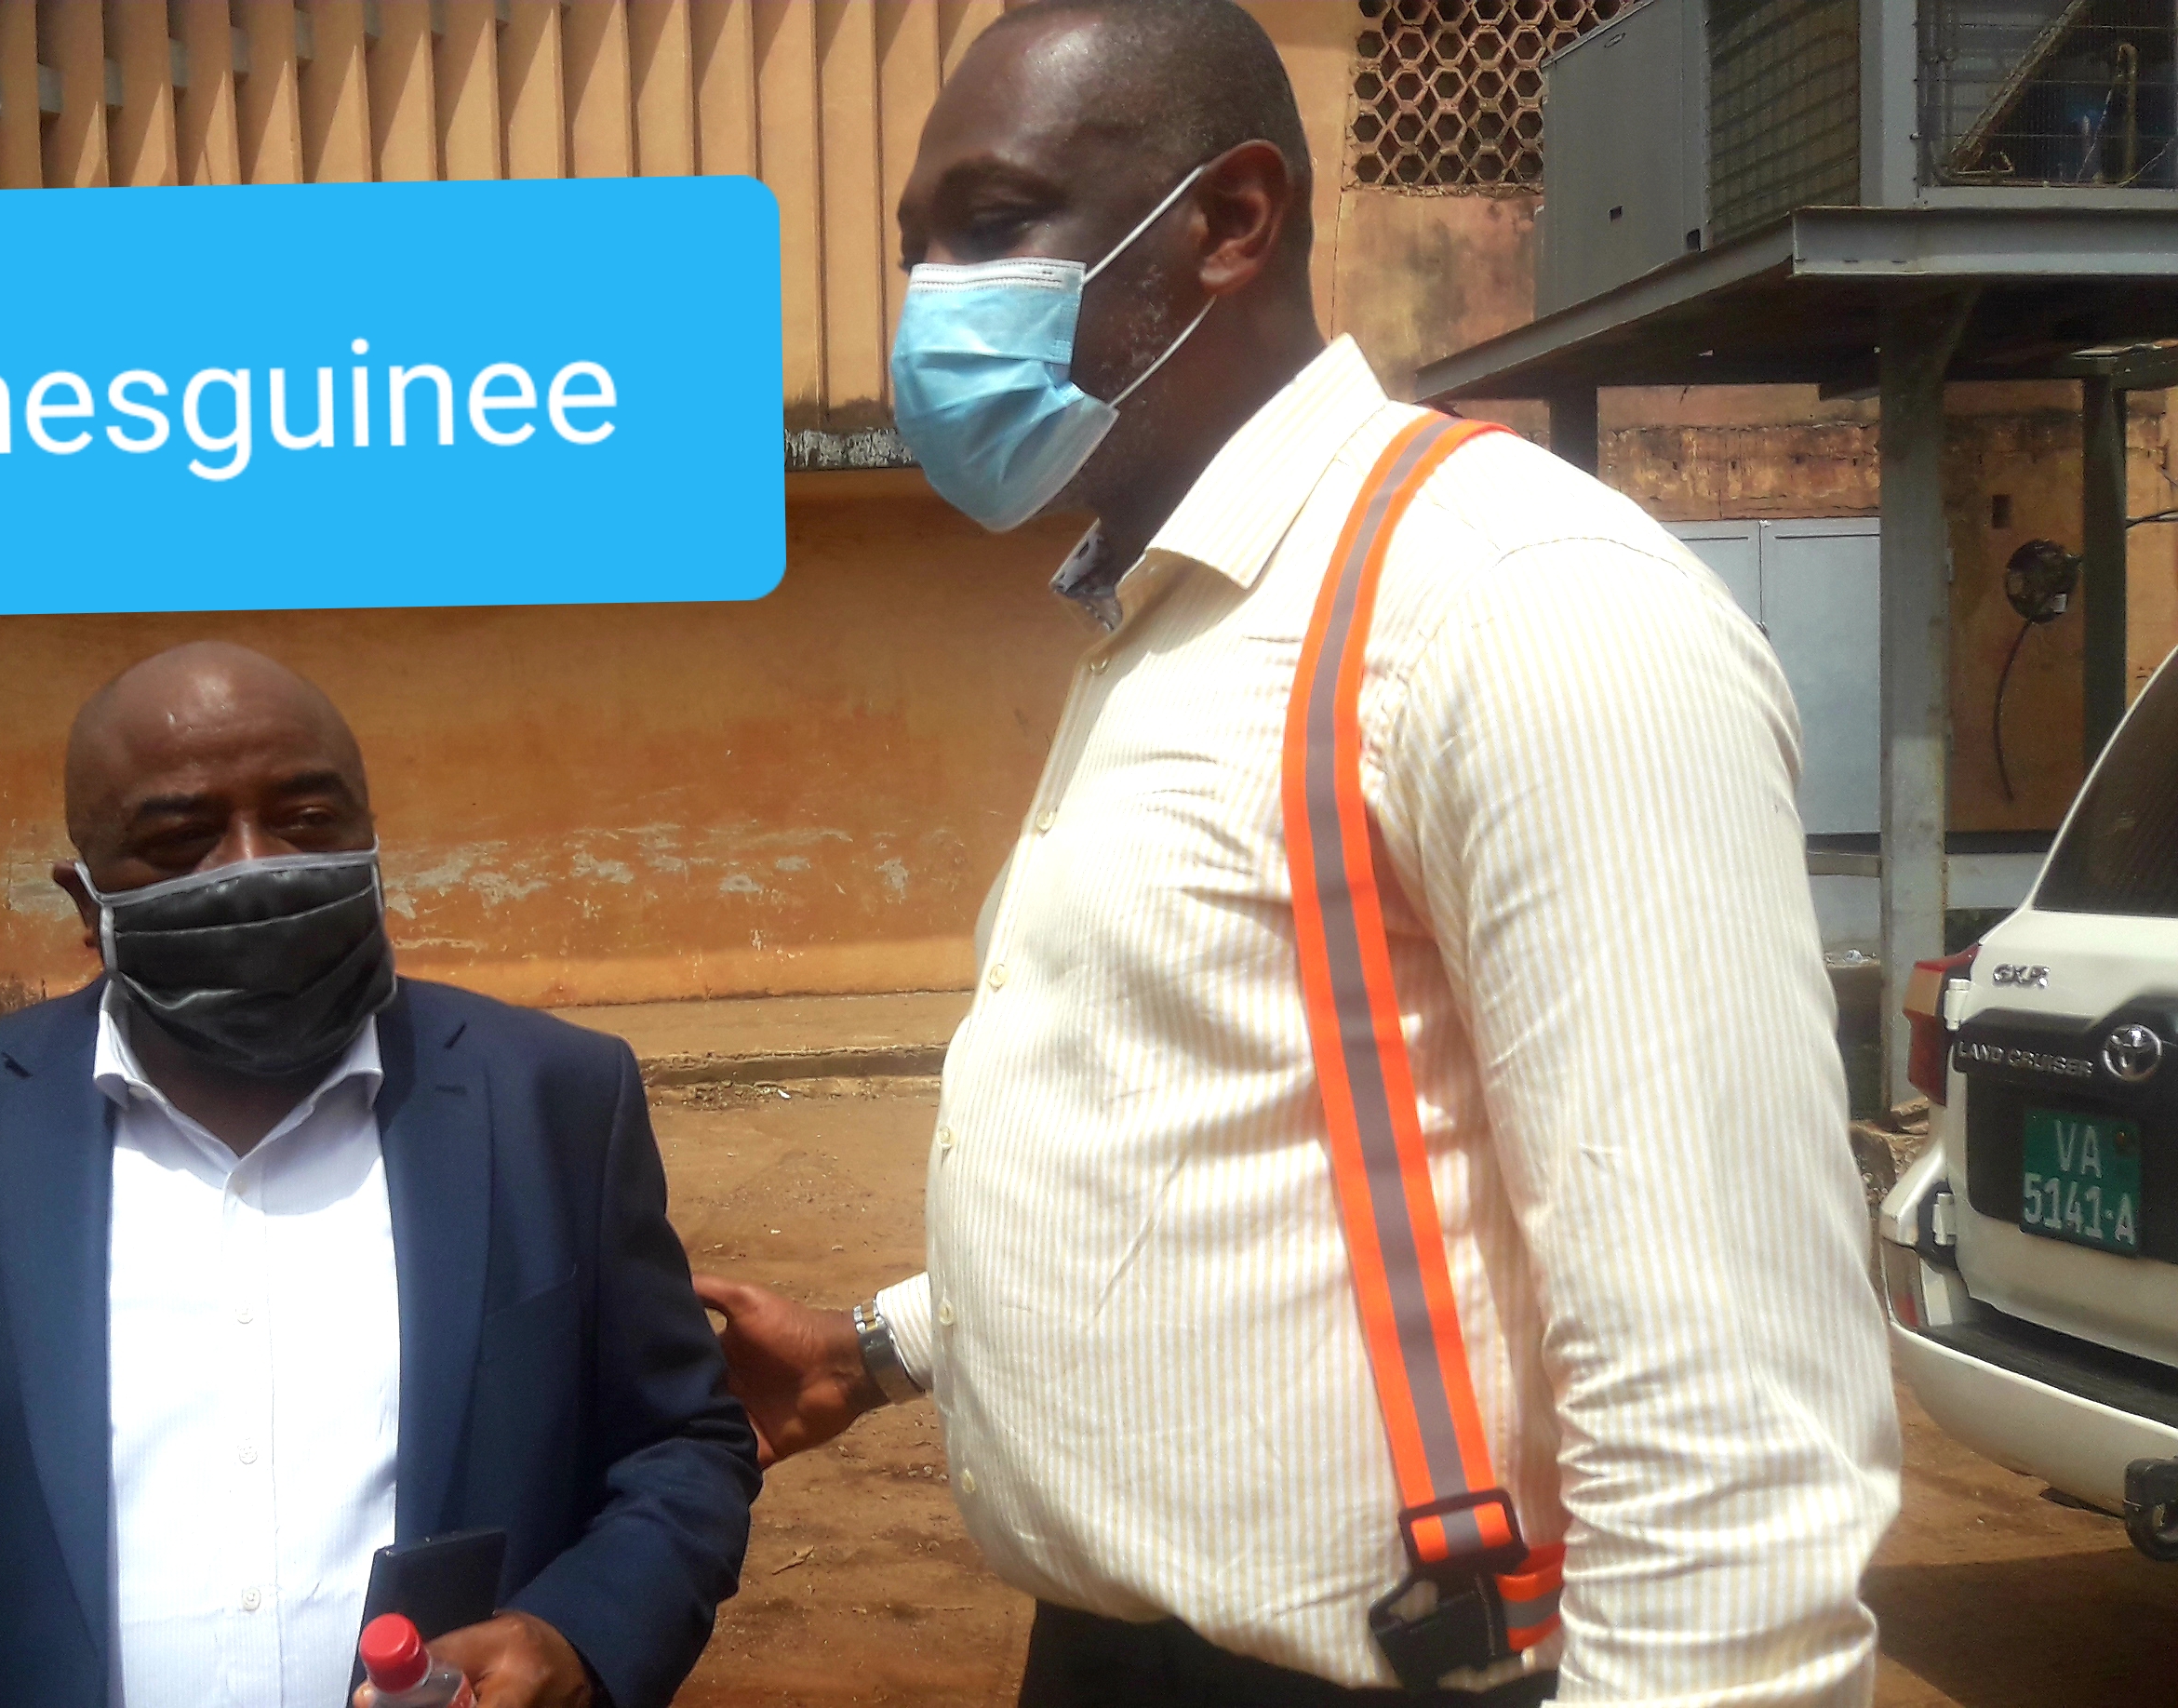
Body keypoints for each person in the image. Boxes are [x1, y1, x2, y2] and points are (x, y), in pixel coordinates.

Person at [695, 5, 1899, 1706]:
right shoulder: (1180, 616)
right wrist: (882, 1346)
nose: (930, 306)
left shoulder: (1515, 601)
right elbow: (1208, 1140)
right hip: (1115, 1662)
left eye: (990, 227)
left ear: (1228, 221)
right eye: (917, 254)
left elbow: (1729, 1411)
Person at [0, 642, 756, 1708]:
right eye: (180, 840)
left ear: (371, 841)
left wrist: (581, 1639)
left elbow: (682, 1442)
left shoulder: (552, 1101)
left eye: (307, 820)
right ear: (86, 901)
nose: (255, 867)